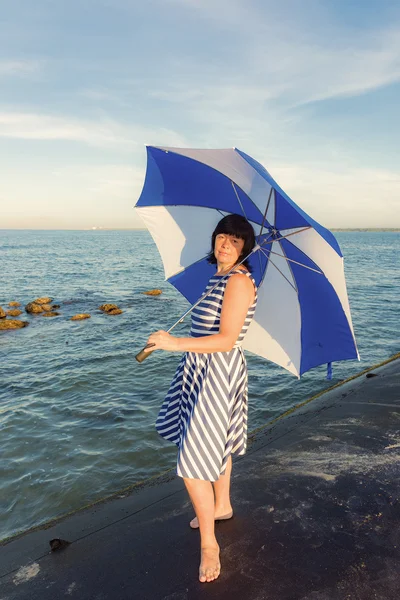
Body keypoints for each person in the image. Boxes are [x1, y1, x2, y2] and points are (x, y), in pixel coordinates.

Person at [144, 213, 258, 583]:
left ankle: (210, 544)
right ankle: (221, 505)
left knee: (193, 461)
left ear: (245, 248)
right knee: (217, 443)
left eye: (236, 241)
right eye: (223, 236)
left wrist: (174, 343)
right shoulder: (219, 277)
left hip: (217, 374)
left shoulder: (239, 282)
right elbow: (205, 327)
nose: (226, 243)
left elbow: (226, 339)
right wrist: (171, 338)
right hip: (199, 370)